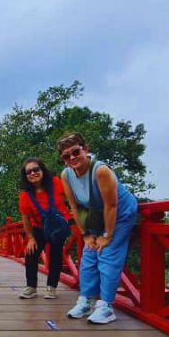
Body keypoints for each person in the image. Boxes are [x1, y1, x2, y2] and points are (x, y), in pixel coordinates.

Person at [58, 132, 137, 324]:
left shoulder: (100, 170)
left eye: (75, 151)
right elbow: (74, 207)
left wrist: (108, 236)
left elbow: (112, 205)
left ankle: (106, 306)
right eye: (66, 156)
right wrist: (85, 235)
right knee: (89, 255)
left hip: (120, 215)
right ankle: (85, 301)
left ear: (85, 149)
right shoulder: (66, 175)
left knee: (107, 253)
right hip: (96, 216)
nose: (72, 157)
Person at [17, 158, 72, 299]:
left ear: (42, 170)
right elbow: (26, 218)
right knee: (31, 253)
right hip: (39, 227)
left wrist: (71, 216)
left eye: (36, 169)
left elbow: (71, 199)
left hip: (57, 227)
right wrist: (30, 238)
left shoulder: (56, 183)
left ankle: (51, 287)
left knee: (55, 255)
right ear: (25, 176)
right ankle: (31, 287)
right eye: (29, 172)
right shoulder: (25, 196)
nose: (33, 173)